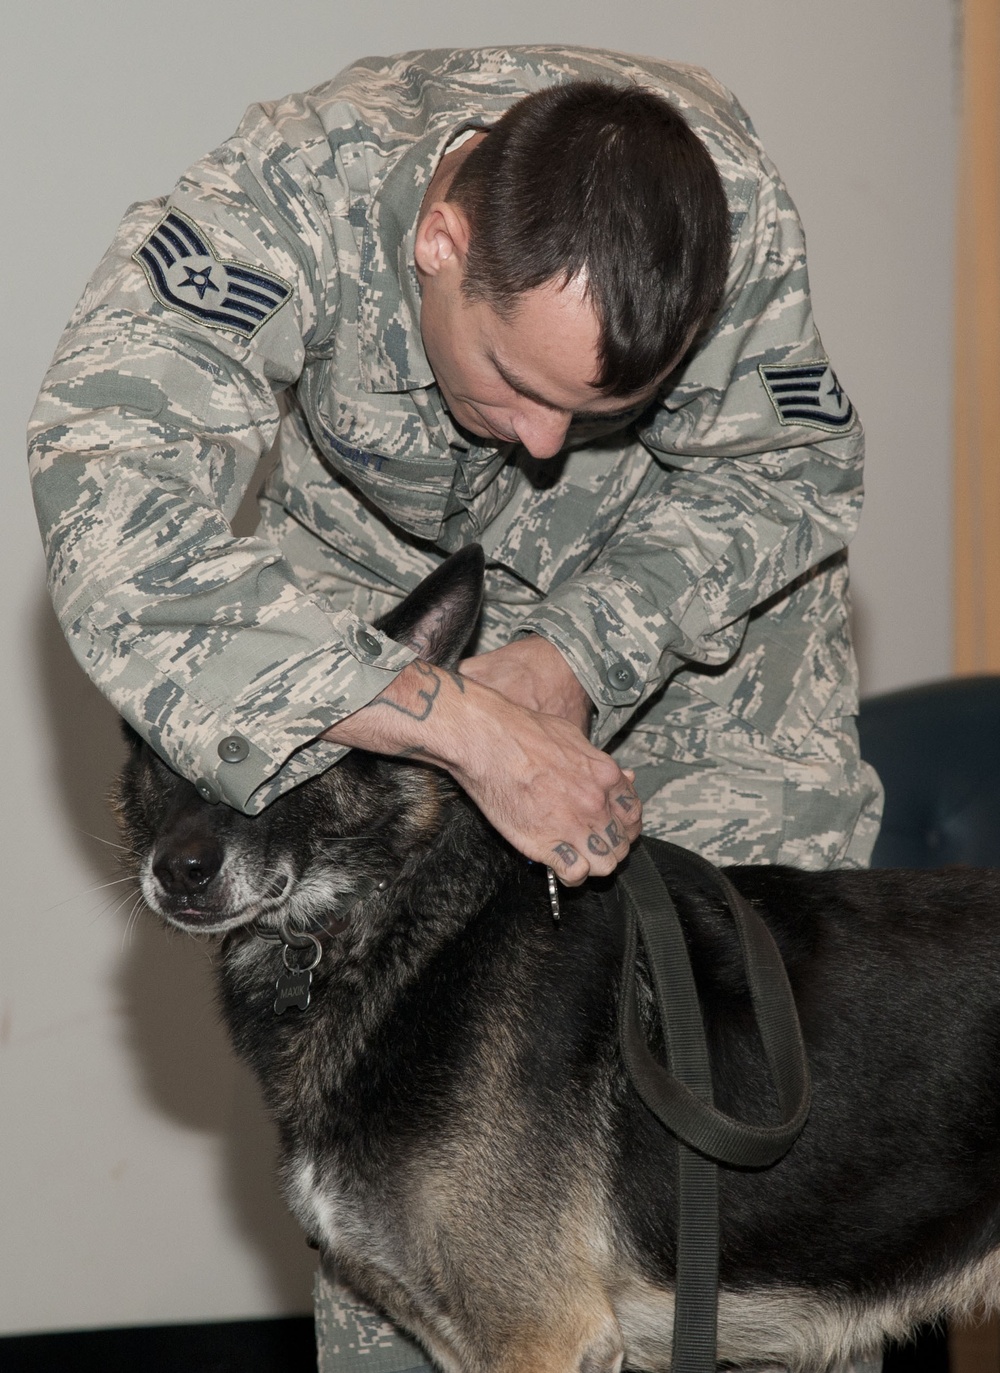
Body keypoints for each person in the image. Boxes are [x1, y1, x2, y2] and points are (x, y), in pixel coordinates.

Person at [29, 45, 882, 1371]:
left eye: (599, 408)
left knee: (767, 1154)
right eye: (516, 378)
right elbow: (110, 493)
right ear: (439, 239)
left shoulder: (731, 220)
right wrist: (454, 717)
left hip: (697, 641)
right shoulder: (293, 191)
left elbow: (787, 480)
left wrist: (574, 656)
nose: (543, 447)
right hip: (371, 627)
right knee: (409, 1188)